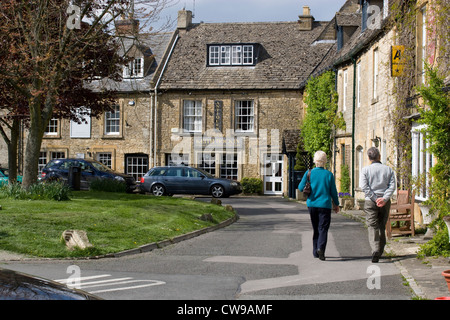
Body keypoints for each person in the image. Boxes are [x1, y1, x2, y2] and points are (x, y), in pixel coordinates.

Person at [298, 151, 339, 261]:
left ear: (315, 161)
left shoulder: (309, 173)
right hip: (325, 205)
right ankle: (321, 248)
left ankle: (315, 251)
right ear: (325, 161)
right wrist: (336, 204)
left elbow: (301, 187)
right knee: (323, 228)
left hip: (312, 204)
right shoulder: (329, 174)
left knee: (316, 228)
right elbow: (333, 192)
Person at [360, 147, 396, 263]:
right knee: (381, 225)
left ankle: (375, 249)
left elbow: (364, 187)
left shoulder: (365, 170)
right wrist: (384, 198)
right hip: (384, 202)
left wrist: (375, 198)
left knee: (372, 225)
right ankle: (380, 249)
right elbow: (392, 186)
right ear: (379, 156)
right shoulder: (388, 170)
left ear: (369, 158)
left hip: (370, 201)